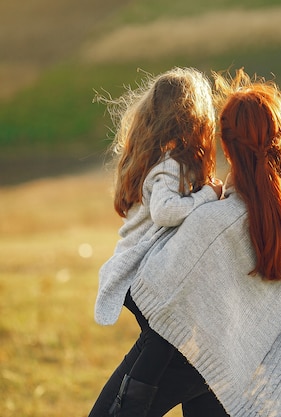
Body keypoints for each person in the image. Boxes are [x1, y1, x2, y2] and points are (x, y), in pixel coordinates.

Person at [107, 68, 281, 416]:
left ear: (226, 144)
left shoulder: (215, 222)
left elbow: (152, 290)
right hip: (233, 370)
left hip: (175, 355)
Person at [90, 67, 222, 417]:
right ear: (195, 119)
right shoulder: (171, 166)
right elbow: (165, 212)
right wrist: (207, 196)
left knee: (167, 345)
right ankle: (129, 407)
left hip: (144, 274)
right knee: (161, 341)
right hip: (138, 275)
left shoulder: (164, 161)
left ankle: (133, 404)